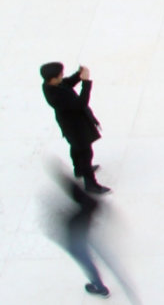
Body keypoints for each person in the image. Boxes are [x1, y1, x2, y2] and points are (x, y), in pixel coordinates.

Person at [41, 63, 110, 193]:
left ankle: (79, 169)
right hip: (75, 127)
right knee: (85, 154)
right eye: (60, 75)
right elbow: (80, 103)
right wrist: (86, 83)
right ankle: (91, 184)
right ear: (53, 79)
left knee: (76, 148)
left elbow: (67, 83)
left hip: (71, 125)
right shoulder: (56, 96)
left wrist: (78, 75)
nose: (62, 76)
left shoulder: (51, 85)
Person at [51, 168, 110, 298]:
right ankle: (99, 286)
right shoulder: (89, 203)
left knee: (85, 260)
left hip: (76, 236)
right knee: (89, 258)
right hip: (85, 230)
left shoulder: (78, 212)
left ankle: (99, 287)